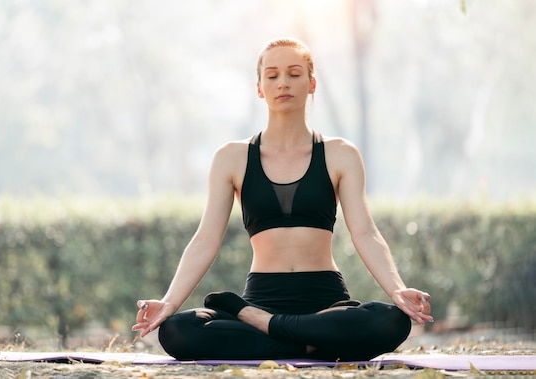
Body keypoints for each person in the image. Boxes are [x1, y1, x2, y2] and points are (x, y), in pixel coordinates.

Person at [132, 38, 433, 361]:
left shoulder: (340, 154)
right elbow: (206, 238)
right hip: (261, 296)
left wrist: (397, 290)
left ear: (312, 83)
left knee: (391, 321)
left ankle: (268, 327)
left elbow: (365, 232)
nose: (283, 83)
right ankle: (312, 342)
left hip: (326, 302)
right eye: (272, 75)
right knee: (177, 329)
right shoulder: (231, 158)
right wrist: (170, 302)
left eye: (294, 73)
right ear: (260, 88)